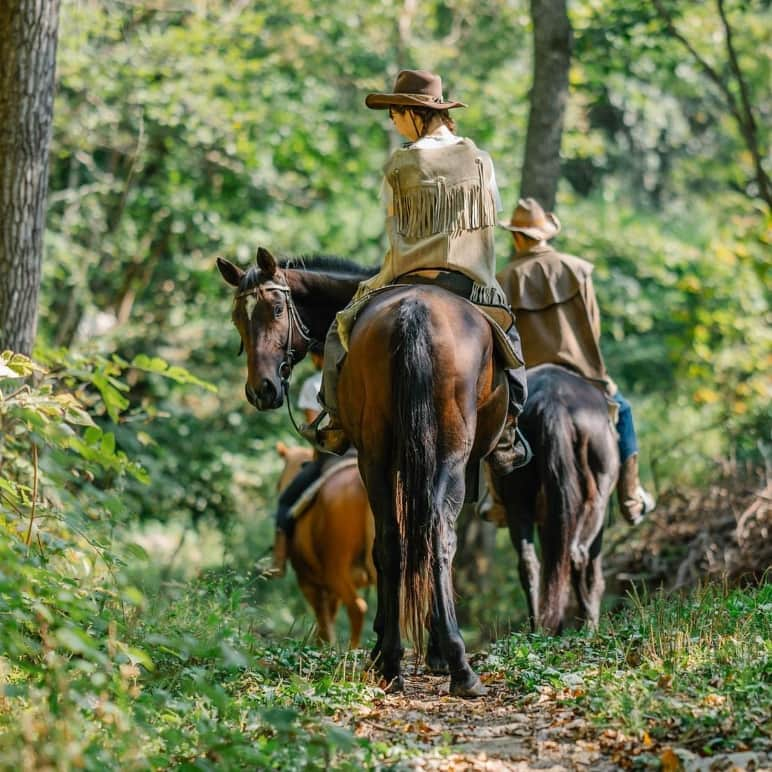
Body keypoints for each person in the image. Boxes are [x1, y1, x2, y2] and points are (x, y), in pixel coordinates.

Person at [301, 69, 531, 475]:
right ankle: (508, 433)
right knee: (510, 346)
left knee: (340, 334)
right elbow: (488, 218)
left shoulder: (399, 166)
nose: (393, 121)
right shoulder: (480, 161)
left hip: (406, 278)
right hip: (469, 286)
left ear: (414, 113)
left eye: (394, 113)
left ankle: (335, 423)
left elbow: (395, 230)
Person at [496, 197, 655, 523]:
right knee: (622, 411)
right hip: (579, 370)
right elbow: (592, 326)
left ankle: (497, 501)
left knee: (495, 427)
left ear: (516, 236)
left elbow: (499, 337)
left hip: (525, 381)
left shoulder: (503, 281)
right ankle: (630, 494)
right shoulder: (577, 269)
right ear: (545, 235)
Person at [270, 342, 328, 577]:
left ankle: (278, 561)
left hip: (330, 457)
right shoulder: (355, 376)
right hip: (363, 455)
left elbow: (315, 432)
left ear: (316, 357)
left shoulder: (313, 385)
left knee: (285, 501)